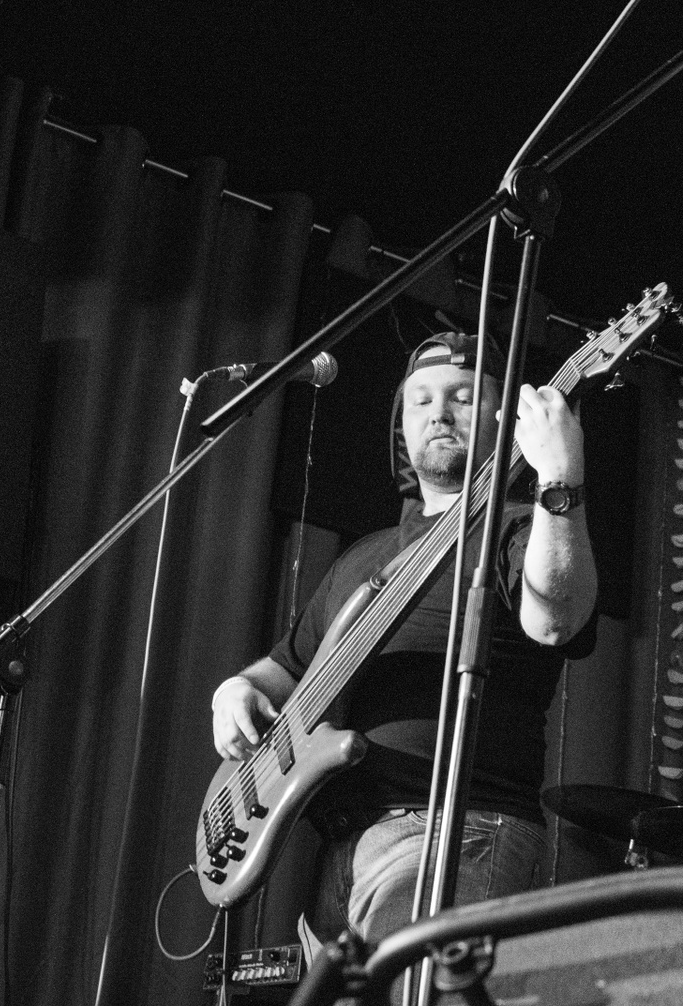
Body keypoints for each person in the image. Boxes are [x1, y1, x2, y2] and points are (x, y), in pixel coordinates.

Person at [210, 332, 597, 954]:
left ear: (508, 422)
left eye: (463, 397)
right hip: (340, 844)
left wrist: (559, 480)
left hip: (454, 831)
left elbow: (557, 619)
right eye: (421, 401)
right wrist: (238, 688)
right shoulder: (363, 556)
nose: (440, 413)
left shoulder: (520, 528)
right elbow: (287, 668)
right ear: (401, 429)